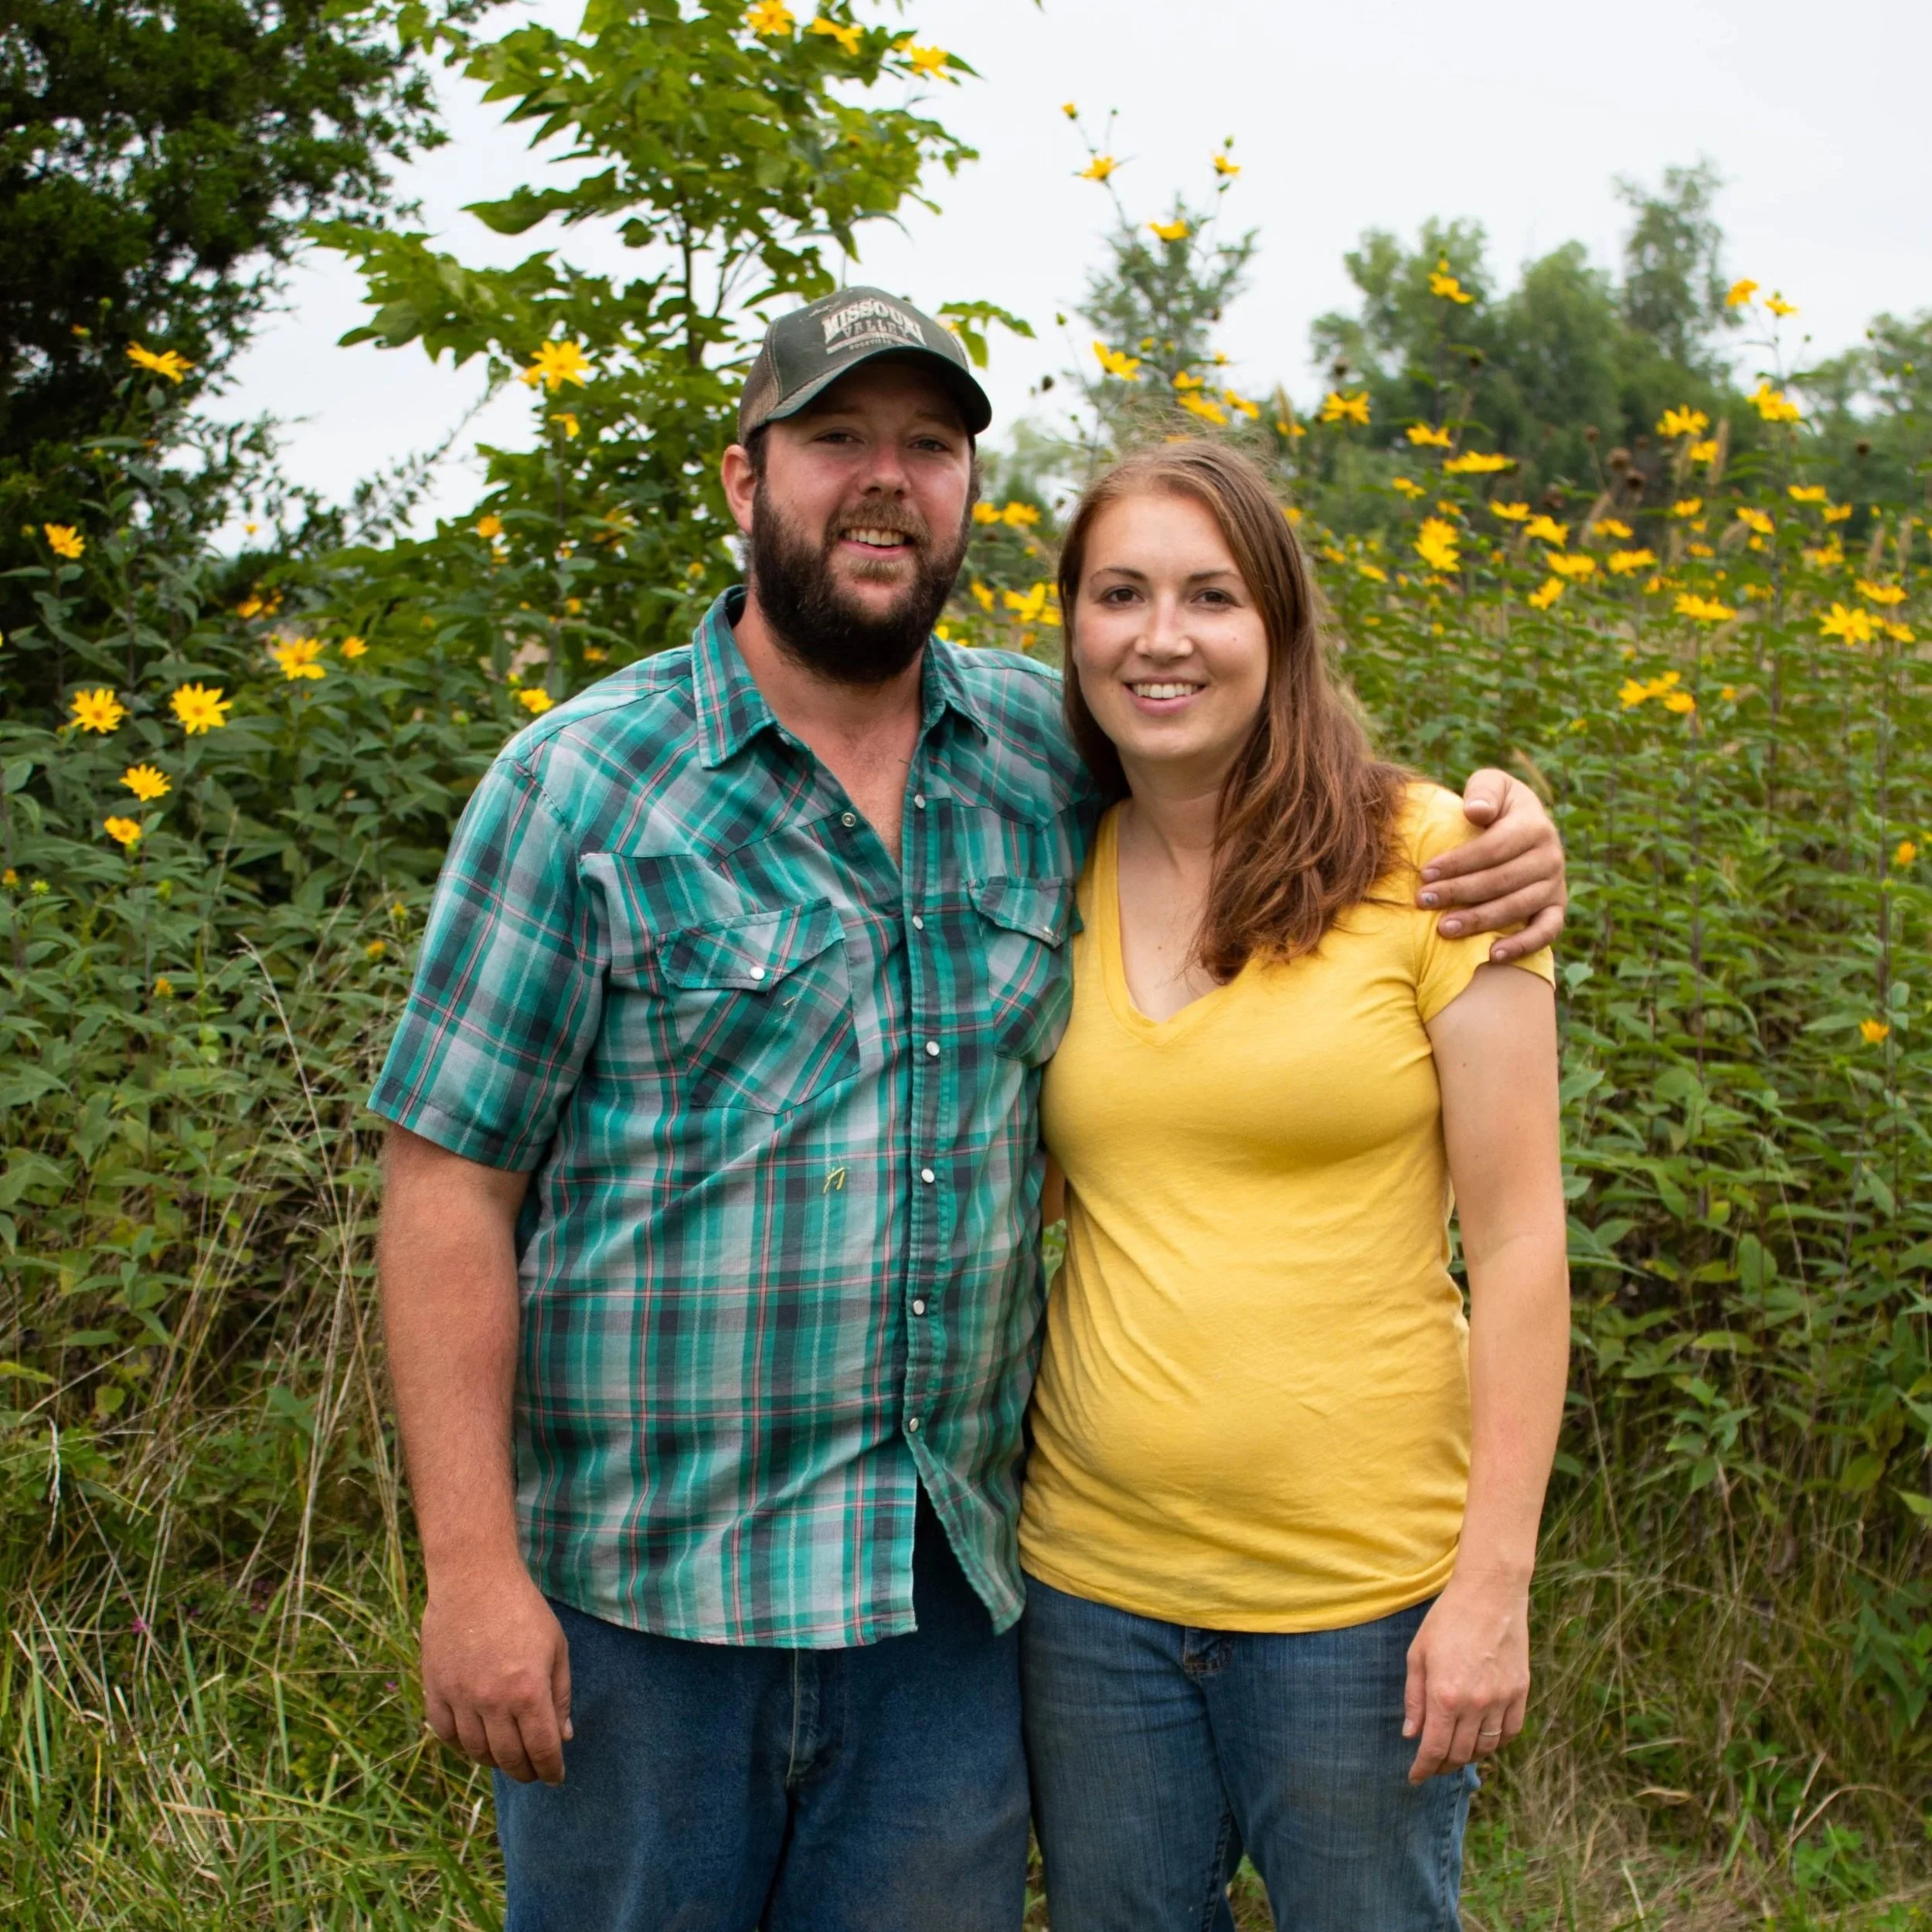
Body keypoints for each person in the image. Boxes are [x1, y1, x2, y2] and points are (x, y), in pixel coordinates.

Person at [370, 289, 1570, 1930]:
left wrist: (1507, 823)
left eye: (926, 446)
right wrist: (469, 1571)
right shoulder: (581, 784)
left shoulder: (1034, 753)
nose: (884, 478)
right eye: (837, 439)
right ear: (743, 479)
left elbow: (1260, 775)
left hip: (940, 1609)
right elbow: (448, 1182)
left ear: (965, 500)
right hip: (642, 1608)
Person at [1015, 442, 1570, 1931]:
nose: (1163, 636)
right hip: (1092, 1592)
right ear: (1071, 626)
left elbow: (1520, 1244)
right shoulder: (1043, 866)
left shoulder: (1442, 861)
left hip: (1360, 1609)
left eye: (1212, 595)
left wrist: (1491, 1590)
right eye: (1120, 593)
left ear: (1281, 626)